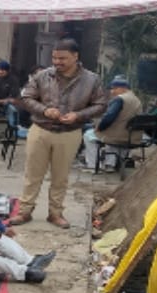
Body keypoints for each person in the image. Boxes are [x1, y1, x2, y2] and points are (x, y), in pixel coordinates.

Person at [11, 38, 107, 229]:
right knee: (32, 175)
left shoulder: (91, 79)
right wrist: (45, 110)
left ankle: (55, 213)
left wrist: (78, 115)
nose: (57, 62)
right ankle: (24, 212)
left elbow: (101, 105)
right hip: (40, 130)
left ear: (75, 56)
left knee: (60, 177)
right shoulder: (42, 76)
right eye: (54, 58)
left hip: (69, 133)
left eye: (62, 58)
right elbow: (26, 97)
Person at [81, 76, 143, 171]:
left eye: (114, 88)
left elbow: (108, 118)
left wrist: (99, 128)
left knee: (88, 134)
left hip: (118, 136)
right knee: (108, 132)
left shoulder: (120, 99)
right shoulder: (136, 100)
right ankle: (110, 164)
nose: (112, 91)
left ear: (123, 88)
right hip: (132, 136)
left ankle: (93, 165)